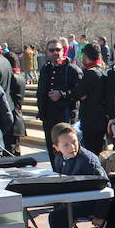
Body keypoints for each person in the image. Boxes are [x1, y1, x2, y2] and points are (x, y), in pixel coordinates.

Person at [47, 123, 111, 228]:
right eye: (66, 145)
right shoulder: (59, 158)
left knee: (55, 217)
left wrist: (100, 214)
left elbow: (106, 187)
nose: (72, 147)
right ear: (56, 147)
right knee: (58, 208)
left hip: (92, 202)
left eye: (74, 142)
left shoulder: (88, 160)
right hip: (75, 199)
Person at [37, 37, 83, 168]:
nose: (55, 52)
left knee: (68, 152)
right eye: (51, 50)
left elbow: (80, 93)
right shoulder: (45, 69)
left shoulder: (72, 70)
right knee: (53, 151)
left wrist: (61, 95)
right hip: (48, 118)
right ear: (47, 52)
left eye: (58, 49)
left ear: (63, 50)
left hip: (65, 117)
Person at [56, 42, 108, 155]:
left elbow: (76, 94)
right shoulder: (103, 70)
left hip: (91, 122)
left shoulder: (90, 74)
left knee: (92, 153)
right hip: (102, 120)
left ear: (85, 56)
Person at [2, 51, 27, 155]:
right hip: (17, 117)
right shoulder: (20, 78)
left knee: (11, 152)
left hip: (13, 119)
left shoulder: (12, 79)